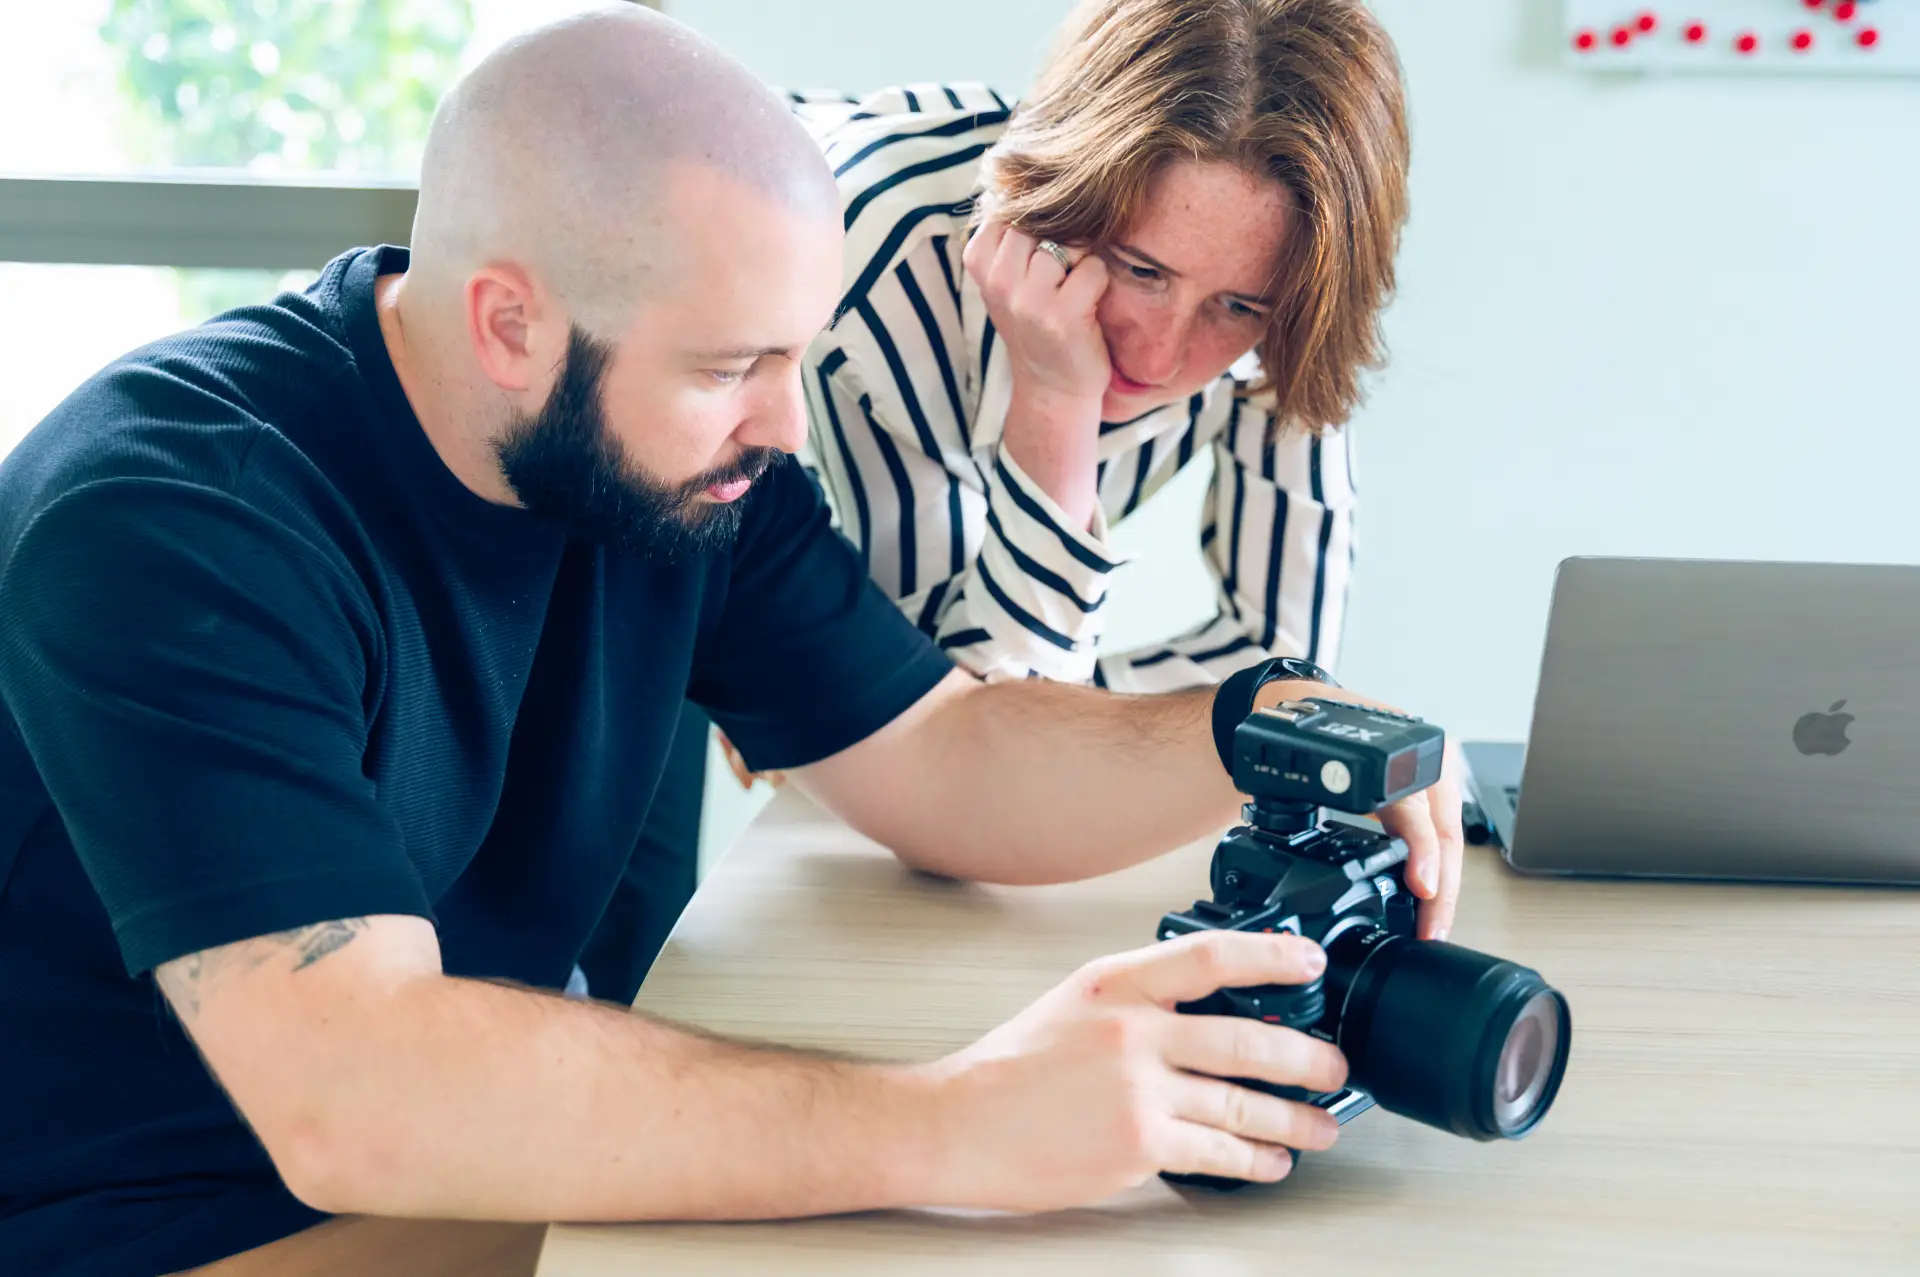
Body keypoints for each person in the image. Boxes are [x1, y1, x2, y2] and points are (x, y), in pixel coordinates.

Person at [0, 8, 1462, 1275]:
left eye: (792, 353)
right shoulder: (179, 514)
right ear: (510, 323)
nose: (785, 422)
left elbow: (949, 763)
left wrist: (1267, 723)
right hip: (160, 1232)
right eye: (730, 368)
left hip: (430, 1174)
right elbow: (359, 1094)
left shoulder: (672, 466)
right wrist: (959, 1116)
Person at [801, 0, 1402, 695]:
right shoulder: (876, 269)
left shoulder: (1294, 316)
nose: (1157, 360)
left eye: (1237, 307)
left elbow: (1279, 671)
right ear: (1057, 199)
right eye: (1141, 270)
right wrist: (1056, 402)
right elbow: (934, 704)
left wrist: (1084, 714)